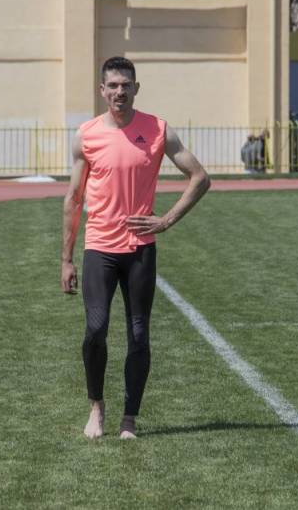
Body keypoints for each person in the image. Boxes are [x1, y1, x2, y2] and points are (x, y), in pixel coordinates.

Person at [61, 56, 210, 440]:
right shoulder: (86, 135)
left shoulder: (157, 130)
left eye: (126, 85)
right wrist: (66, 259)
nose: (119, 92)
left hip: (141, 249)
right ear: (102, 90)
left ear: (136, 89)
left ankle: (129, 418)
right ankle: (97, 407)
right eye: (112, 85)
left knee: (139, 334)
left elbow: (199, 177)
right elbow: (74, 198)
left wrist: (166, 220)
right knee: (96, 329)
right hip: (100, 248)